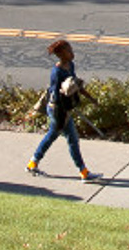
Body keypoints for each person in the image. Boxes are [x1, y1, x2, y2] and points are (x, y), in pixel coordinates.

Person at [27, 39, 95, 179]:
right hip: (57, 109)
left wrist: (91, 98)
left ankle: (33, 163)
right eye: (68, 51)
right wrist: (63, 113)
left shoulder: (70, 66)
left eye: (71, 50)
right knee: (72, 139)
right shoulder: (57, 72)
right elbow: (56, 94)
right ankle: (84, 172)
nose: (72, 53)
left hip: (64, 109)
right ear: (61, 55)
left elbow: (76, 84)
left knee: (53, 136)